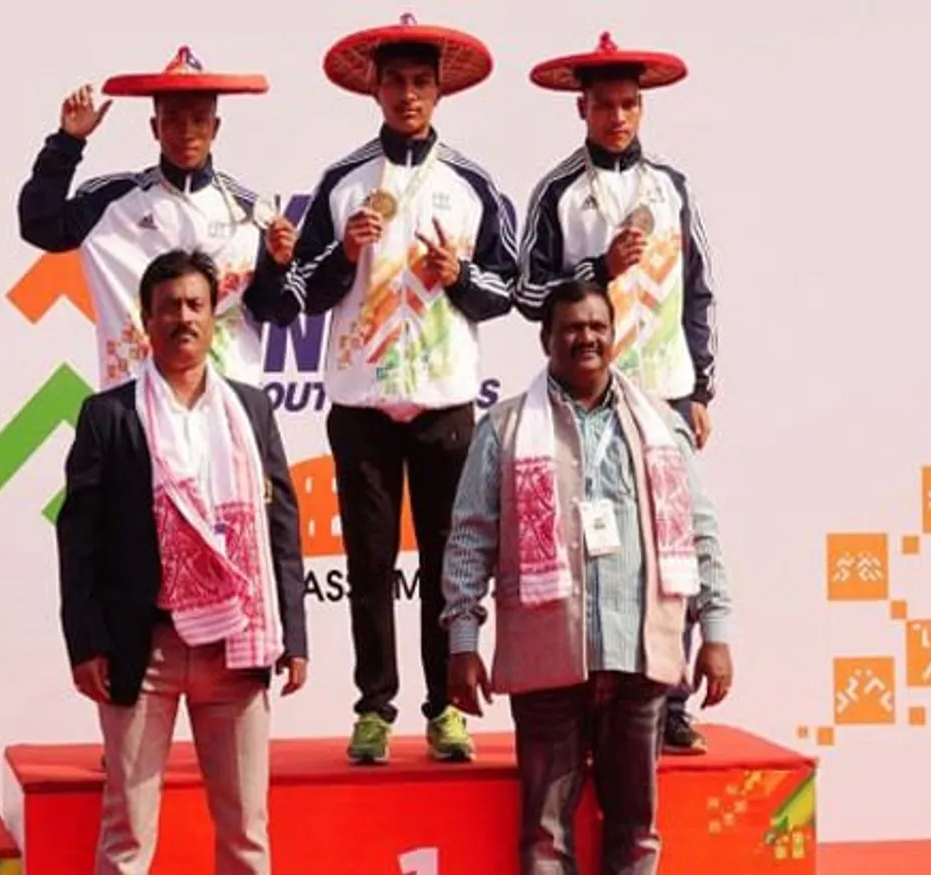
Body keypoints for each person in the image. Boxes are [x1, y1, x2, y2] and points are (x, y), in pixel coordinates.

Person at [286, 13, 518, 765]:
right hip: (361, 404)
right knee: (368, 563)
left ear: (439, 91)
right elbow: (304, 292)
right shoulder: (342, 182)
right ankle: (373, 708)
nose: (408, 94)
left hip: (445, 402)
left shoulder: (471, 183)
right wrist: (343, 252)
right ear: (375, 90)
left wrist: (459, 276)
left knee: (450, 562)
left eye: (421, 82)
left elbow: (507, 290)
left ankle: (446, 708)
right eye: (395, 82)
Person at [441, 279, 733, 875]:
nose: (587, 338)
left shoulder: (661, 425)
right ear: (546, 339)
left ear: (614, 334)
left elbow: (699, 530)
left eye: (598, 326)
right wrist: (463, 643)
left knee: (637, 834)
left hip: (639, 657)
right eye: (573, 328)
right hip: (546, 664)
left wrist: (716, 633)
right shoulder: (506, 428)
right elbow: (469, 539)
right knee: (545, 838)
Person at [56, 248, 308, 875]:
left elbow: (281, 523)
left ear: (214, 316)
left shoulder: (250, 411)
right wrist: (86, 641)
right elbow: (79, 538)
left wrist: (295, 636)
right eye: (168, 307)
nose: (183, 318)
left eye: (196, 305)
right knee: (127, 834)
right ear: (146, 320)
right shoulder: (108, 416)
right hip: (144, 650)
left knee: (246, 832)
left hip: (237, 646)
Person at [515, 33, 720, 754]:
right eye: (604, 105)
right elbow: (526, 293)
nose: (618, 117)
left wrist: (701, 387)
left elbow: (700, 290)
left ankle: (670, 700)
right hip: (586, 398)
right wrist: (598, 268)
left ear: (642, 107)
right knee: (595, 547)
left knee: (674, 545)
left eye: (630, 104)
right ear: (582, 108)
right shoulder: (559, 192)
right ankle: (593, 694)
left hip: (663, 391)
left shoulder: (672, 187)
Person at [18, 46, 299, 389]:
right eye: (173, 120)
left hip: (227, 400)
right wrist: (67, 142)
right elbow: (39, 225)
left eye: (199, 119)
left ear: (215, 127)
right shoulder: (111, 203)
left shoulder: (251, 214)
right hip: (133, 400)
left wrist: (278, 264)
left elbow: (275, 311)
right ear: (155, 127)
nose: (187, 132)